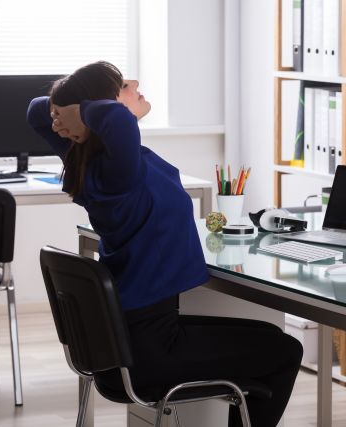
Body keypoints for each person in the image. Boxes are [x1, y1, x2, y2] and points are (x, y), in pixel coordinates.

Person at [27, 61, 302, 426]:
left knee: (269, 338)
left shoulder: (89, 161)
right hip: (149, 349)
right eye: (124, 85)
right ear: (106, 108)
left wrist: (72, 112)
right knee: (284, 351)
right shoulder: (118, 172)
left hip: (132, 338)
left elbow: (35, 110)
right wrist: (84, 110)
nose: (136, 84)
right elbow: (116, 120)